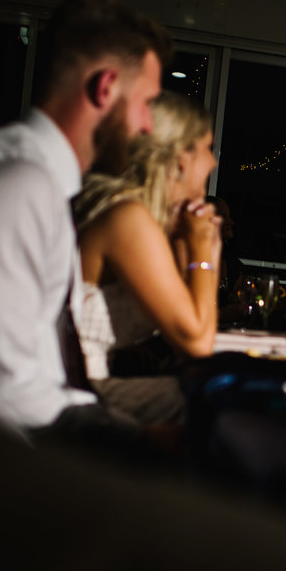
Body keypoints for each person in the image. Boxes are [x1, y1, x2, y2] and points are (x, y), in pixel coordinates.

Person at [0, 0, 171, 445]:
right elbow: (8, 395)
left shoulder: (32, 179)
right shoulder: (18, 188)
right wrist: (141, 440)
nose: (148, 125)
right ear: (106, 87)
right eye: (146, 101)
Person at [73, 90, 221, 427]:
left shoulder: (148, 218)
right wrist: (199, 248)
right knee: (217, 404)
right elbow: (198, 342)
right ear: (181, 159)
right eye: (207, 149)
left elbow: (196, 325)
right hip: (72, 391)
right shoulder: (127, 218)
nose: (213, 162)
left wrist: (203, 246)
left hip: (94, 380)